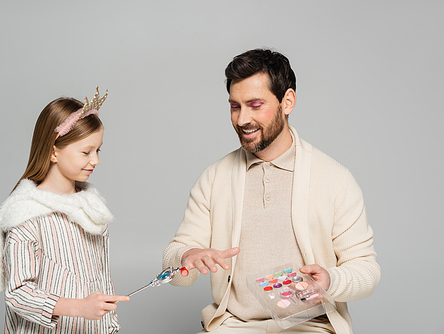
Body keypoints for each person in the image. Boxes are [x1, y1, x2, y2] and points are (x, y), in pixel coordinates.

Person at [162, 49, 380, 334]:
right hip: (232, 326)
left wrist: (331, 279)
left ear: (287, 101)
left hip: (310, 327)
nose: (242, 120)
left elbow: (367, 270)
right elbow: (176, 261)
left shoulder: (335, 179)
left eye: (255, 105)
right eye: (235, 106)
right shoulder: (214, 178)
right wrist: (186, 257)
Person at [0, 87, 129, 334]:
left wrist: (110, 326)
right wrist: (78, 307)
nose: (95, 160)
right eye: (86, 152)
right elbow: (17, 293)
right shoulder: (27, 215)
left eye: (98, 150)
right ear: (54, 151)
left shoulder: (92, 211)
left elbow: (102, 279)